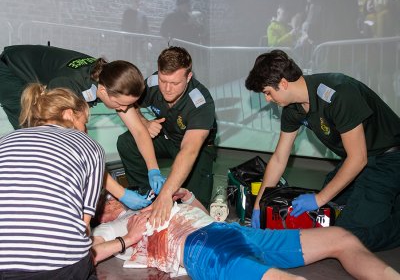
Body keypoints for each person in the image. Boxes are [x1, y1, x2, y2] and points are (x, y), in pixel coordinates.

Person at [245, 49, 400, 252]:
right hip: (363, 159)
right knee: (328, 211)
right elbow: (279, 158)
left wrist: (319, 199)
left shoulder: (339, 93)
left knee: (346, 237)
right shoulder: (293, 109)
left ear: (283, 83)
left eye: (267, 92)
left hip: (389, 158)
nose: (267, 99)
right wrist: (259, 205)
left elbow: (358, 158)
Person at [91, 188, 400, 280]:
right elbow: (86, 253)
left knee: (341, 238)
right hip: (203, 249)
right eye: (104, 197)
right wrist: (127, 240)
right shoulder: (112, 226)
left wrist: (190, 200)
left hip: (231, 230)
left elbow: (203, 216)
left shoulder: (147, 202)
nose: (113, 196)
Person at [0, 44, 164, 211]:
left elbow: (138, 130)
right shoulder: (68, 87)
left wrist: (153, 169)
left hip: (40, 69)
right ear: (103, 91)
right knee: (37, 142)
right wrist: (121, 193)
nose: (123, 109)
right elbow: (83, 154)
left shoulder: (110, 80)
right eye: (120, 105)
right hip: (11, 71)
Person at [0, 83, 104, 279]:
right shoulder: (91, 146)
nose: (85, 129)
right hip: (56, 265)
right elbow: (84, 224)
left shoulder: (5, 140)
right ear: (68, 114)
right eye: (84, 122)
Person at [117, 46, 217, 227]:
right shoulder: (154, 82)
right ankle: (145, 196)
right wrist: (145, 122)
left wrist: (166, 194)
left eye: (175, 83)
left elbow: (189, 150)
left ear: (188, 77)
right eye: (164, 81)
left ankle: (163, 199)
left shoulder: (201, 102)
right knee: (127, 142)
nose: (167, 89)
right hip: (166, 137)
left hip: (196, 150)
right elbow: (129, 102)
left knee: (195, 215)